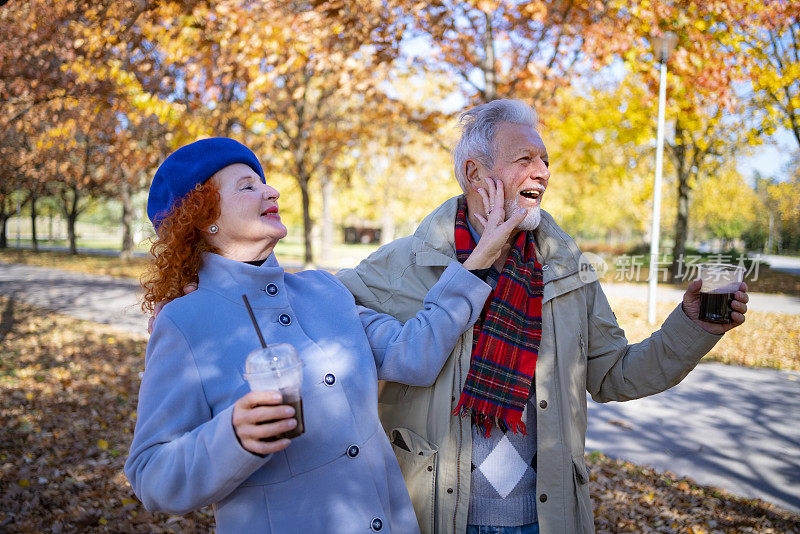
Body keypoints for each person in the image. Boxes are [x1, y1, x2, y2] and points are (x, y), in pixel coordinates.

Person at [335, 99, 749, 534]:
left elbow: (614, 374)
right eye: (525, 159)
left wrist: (693, 327)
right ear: (475, 174)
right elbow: (321, 322)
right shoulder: (407, 263)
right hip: (433, 515)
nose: (543, 172)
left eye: (545, 160)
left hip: (544, 520)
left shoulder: (566, 267)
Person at [124, 137, 527, 533]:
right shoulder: (183, 323)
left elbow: (415, 355)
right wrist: (232, 436)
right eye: (247, 186)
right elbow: (151, 476)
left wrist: (481, 259)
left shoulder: (323, 290)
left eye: (262, 180)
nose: (271, 189)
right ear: (203, 219)